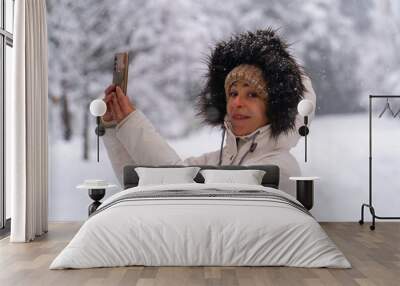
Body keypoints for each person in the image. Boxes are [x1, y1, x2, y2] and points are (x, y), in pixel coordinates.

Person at [101, 29, 316, 196]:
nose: (237, 103)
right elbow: (145, 184)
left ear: (276, 108)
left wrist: (130, 122)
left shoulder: (279, 168)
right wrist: (114, 129)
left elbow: (180, 187)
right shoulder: (221, 160)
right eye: (232, 93)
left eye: (252, 95)